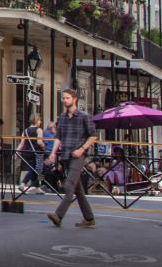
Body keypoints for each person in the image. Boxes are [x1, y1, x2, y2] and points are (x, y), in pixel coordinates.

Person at [47, 88, 98, 228]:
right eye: (63, 98)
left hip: (78, 156)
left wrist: (81, 149)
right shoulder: (62, 117)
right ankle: (89, 218)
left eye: (67, 98)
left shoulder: (84, 116)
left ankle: (58, 215)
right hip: (65, 156)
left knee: (69, 185)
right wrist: (53, 153)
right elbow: (58, 137)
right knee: (78, 189)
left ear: (74, 99)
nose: (64, 100)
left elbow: (93, 136)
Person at [18, 114, 46, 194]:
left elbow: (22, 143)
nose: (41, 122)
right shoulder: (39, 130)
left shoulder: (25, 130)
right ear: (37, 121)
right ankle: (23, 183)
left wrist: (16, 151)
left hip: (27, 153)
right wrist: (44, 147)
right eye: (40, 120)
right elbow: (39, 142)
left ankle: (37, 188)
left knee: (34, 169)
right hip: (36, 153)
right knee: (34, 170)